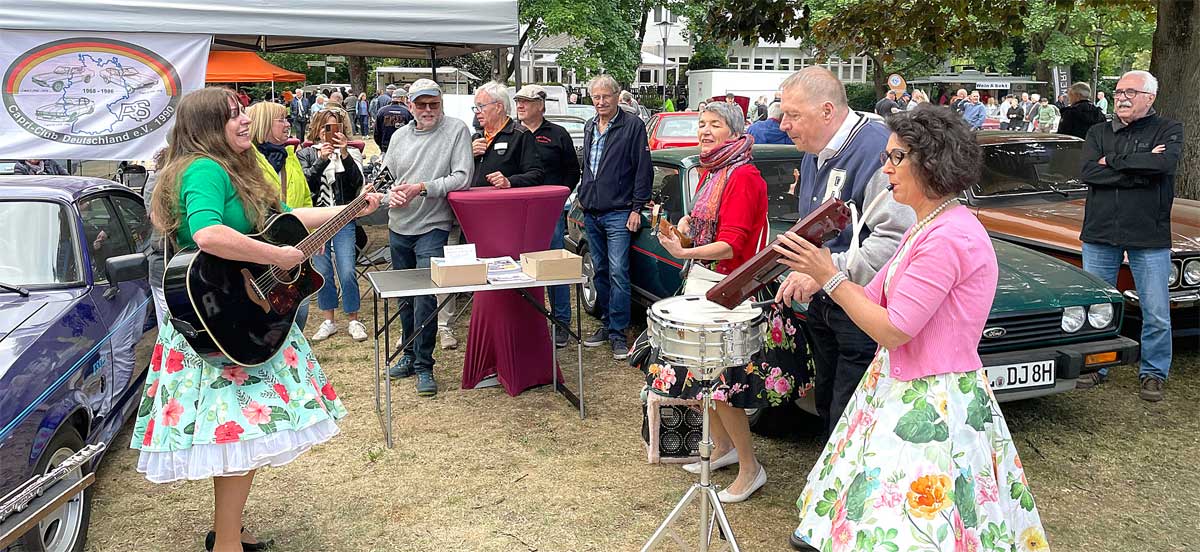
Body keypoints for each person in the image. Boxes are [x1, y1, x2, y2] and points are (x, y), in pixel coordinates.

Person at [777, 105, 1047, 552]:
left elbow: (894, 330)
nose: (885, 167)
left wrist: (829, 276)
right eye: (888, 156)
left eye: (897, 157)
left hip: (934, 396)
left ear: (934, 161)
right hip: (902, 384)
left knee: (919, 520)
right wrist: (822, 278)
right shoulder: (926, 227)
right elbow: (871, 298)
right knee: (879, 511)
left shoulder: (948, 236)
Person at [135, 87, 382, 552]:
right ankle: (227, 543)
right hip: (221, 320)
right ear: (207, 127)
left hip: (238, 317)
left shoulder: (234, 165)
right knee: (237, 441)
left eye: (244, 112)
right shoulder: (204, 168)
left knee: (242, 440)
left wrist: (352, 209)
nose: (245, 120)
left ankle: (229, 530)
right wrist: (277, 256)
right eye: (233, 116)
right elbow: (208, 234)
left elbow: (286, 218)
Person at [642, 101, 806, 503]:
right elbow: (710, 231)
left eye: (714, 125)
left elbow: (732, 245)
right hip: (707, 286)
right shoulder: (712, 171)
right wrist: (685, 229)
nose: (704, 130)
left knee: (722, 386)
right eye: (701, 124)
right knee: (702, 378)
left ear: (735, 132)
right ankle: (724, 447)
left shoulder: (743, 175)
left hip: (730, 293)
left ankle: (750, 469)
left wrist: (684, 252)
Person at [774, 66, 914, 441]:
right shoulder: (813, 151)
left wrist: (825, 271)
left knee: (851, 414)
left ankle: (845, 475)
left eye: (793, 114)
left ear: (827, 111)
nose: (783, 124)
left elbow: (895, 239)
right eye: (783, 114)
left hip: (863, 308)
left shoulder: (877, 151)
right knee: (828, 402)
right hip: (827, 302)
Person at [1077, 70, 1182, 402]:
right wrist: (1139, 170)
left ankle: (1153, 373)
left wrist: (1112, 162)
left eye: (1130, 92)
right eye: (1119, 91)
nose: (1121, 97)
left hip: (1148, 234)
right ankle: (1096, 365)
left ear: (1149, 97)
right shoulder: (1098, 131)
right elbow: (1088, 171)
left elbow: (1163, 165)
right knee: (1097, 306)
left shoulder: (1168, 129)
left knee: (1155, 310)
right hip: (1100, 231)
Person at [383, 78, 474, 397]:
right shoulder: (398, 137)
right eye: (421, 104)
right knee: (405, 297)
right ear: (409, 106)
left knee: (425, 297)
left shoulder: (456, 130)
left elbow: (463, 177)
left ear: (441, 104)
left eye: (433, 104)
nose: (427, 110)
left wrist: (422, 188)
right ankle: (408, 355)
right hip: (398, 225)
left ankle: (424, 364)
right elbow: (386, 179)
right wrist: (390, 195)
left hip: (433, 225)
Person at [577, 74, 652, 360]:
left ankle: (618, 333)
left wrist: (636, 207)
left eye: (605, 96)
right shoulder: (589, 126)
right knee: (601, 271)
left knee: (619, 271)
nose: (600, 102)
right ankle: (607, 324)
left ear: (617, 96)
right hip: (592, 210)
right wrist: (583, 195)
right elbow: (588, 167)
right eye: (596, 97)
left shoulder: (632, 126)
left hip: (619, 211)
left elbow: (643, 168)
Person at [515, 84, 581, 347]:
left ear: (541, 106)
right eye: (518, 101)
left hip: (549, 212)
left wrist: (559, 198)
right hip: (518, 212)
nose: (520, 105)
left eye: (526, 101)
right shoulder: (514, 133)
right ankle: (529, 321)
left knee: (553, 267)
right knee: (521, 268)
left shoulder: (558, 134)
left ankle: (561, 323)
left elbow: (572, 171)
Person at [297, 107, 369, 343]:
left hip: (343, 218)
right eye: (326, 127)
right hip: (316, 221)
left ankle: (353, 319)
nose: (330, 133)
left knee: (347, 270)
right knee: (322, 271)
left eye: (335, 127)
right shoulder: (306, 154)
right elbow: (306, 183)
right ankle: (329, 320)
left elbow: (357, 184)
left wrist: (344, 154)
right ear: (317, 129)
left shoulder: (350, 153)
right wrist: (321, 160)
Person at [248, 101, 313, 330]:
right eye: (281, 120)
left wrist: (311, 233)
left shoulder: (290, 156)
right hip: (262, 251)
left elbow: (306, 198)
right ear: (264, 123)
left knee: (299, 309)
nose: (288, 124)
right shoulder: (247, 161)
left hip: (295, 246)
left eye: (287, 119)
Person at [470, 82, 543, 188]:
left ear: (498, 107)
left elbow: (536, 174)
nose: (477, 111)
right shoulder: (476, 137)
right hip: (474, 197)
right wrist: (468, 155)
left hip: (504, 198)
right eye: (475, 107)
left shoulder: (521, 135)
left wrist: (509, 181)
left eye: (481, 106)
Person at [374, 88, 412, 154]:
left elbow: (377, 133)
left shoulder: (382, 111)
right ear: (403, 98)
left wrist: (382, 147)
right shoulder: (408, 111)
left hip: (386, 146)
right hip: (403, 147)